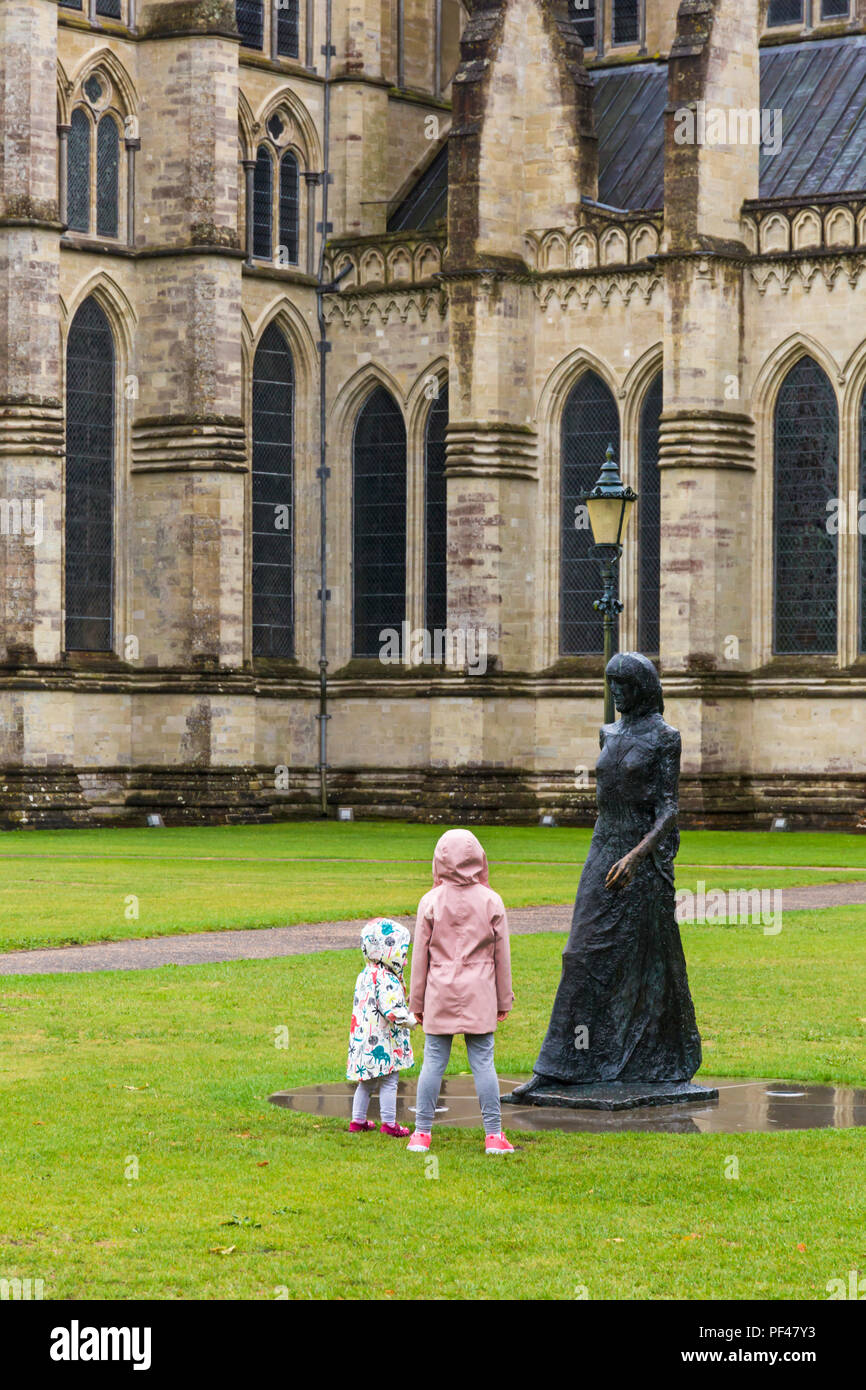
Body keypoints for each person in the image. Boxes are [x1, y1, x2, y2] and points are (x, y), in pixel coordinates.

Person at [511, 652, 702, 1097]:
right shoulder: (608, 733)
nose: (615, 693)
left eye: (623, 685)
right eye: (610, 684)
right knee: (580, 954)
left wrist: (636, 857)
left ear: (642, 687)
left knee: (644, 962)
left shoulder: (665, 738)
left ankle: (650, 1060)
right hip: (603, 848)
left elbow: (669, 810)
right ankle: (560, 1066)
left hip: (642, 862)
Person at [407, 828, 515, 1155]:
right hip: (480, 990)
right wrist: (503, 998)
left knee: (433, 1063)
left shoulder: (430, 901)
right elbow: (502, 957)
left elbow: (420, 958)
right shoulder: (491, 900)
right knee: (483, 1062)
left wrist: (417, 1001)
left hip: (439, 989)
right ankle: (494, 1135)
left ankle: (421, 1134)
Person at [347, 918, 416, 1136]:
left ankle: (357, 1121)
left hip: (363, 1038)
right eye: (402, 954)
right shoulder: (386, 978)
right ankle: (389, 1123)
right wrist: (413, 1020)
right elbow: (392, 1011)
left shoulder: (365, 974)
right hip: (384, 1040)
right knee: (390, 1080)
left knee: (365, 1082)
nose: (404, 961)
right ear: (388, 951)